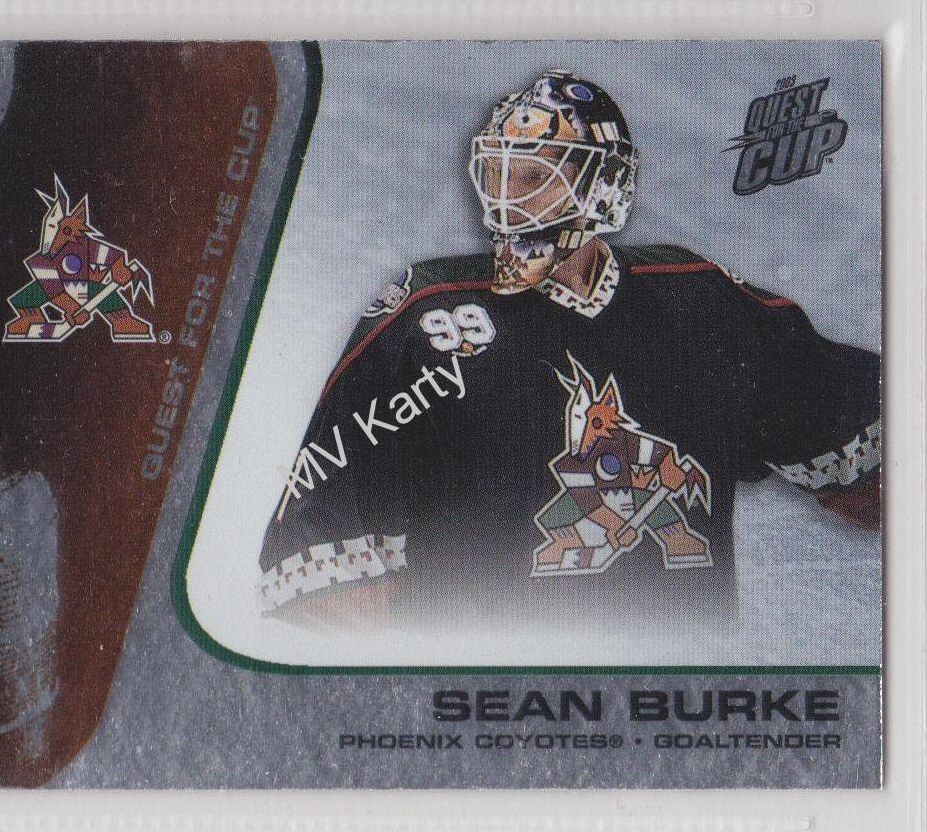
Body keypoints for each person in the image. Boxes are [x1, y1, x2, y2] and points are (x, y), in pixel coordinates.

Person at [257, 70, 881, 631]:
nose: (508, 198)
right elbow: (318, 567)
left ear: (602, 187)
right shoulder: (428, 321)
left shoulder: (700, 303)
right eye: (500, 173)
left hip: (670, 696)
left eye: (534, 178)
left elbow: (866, 458)